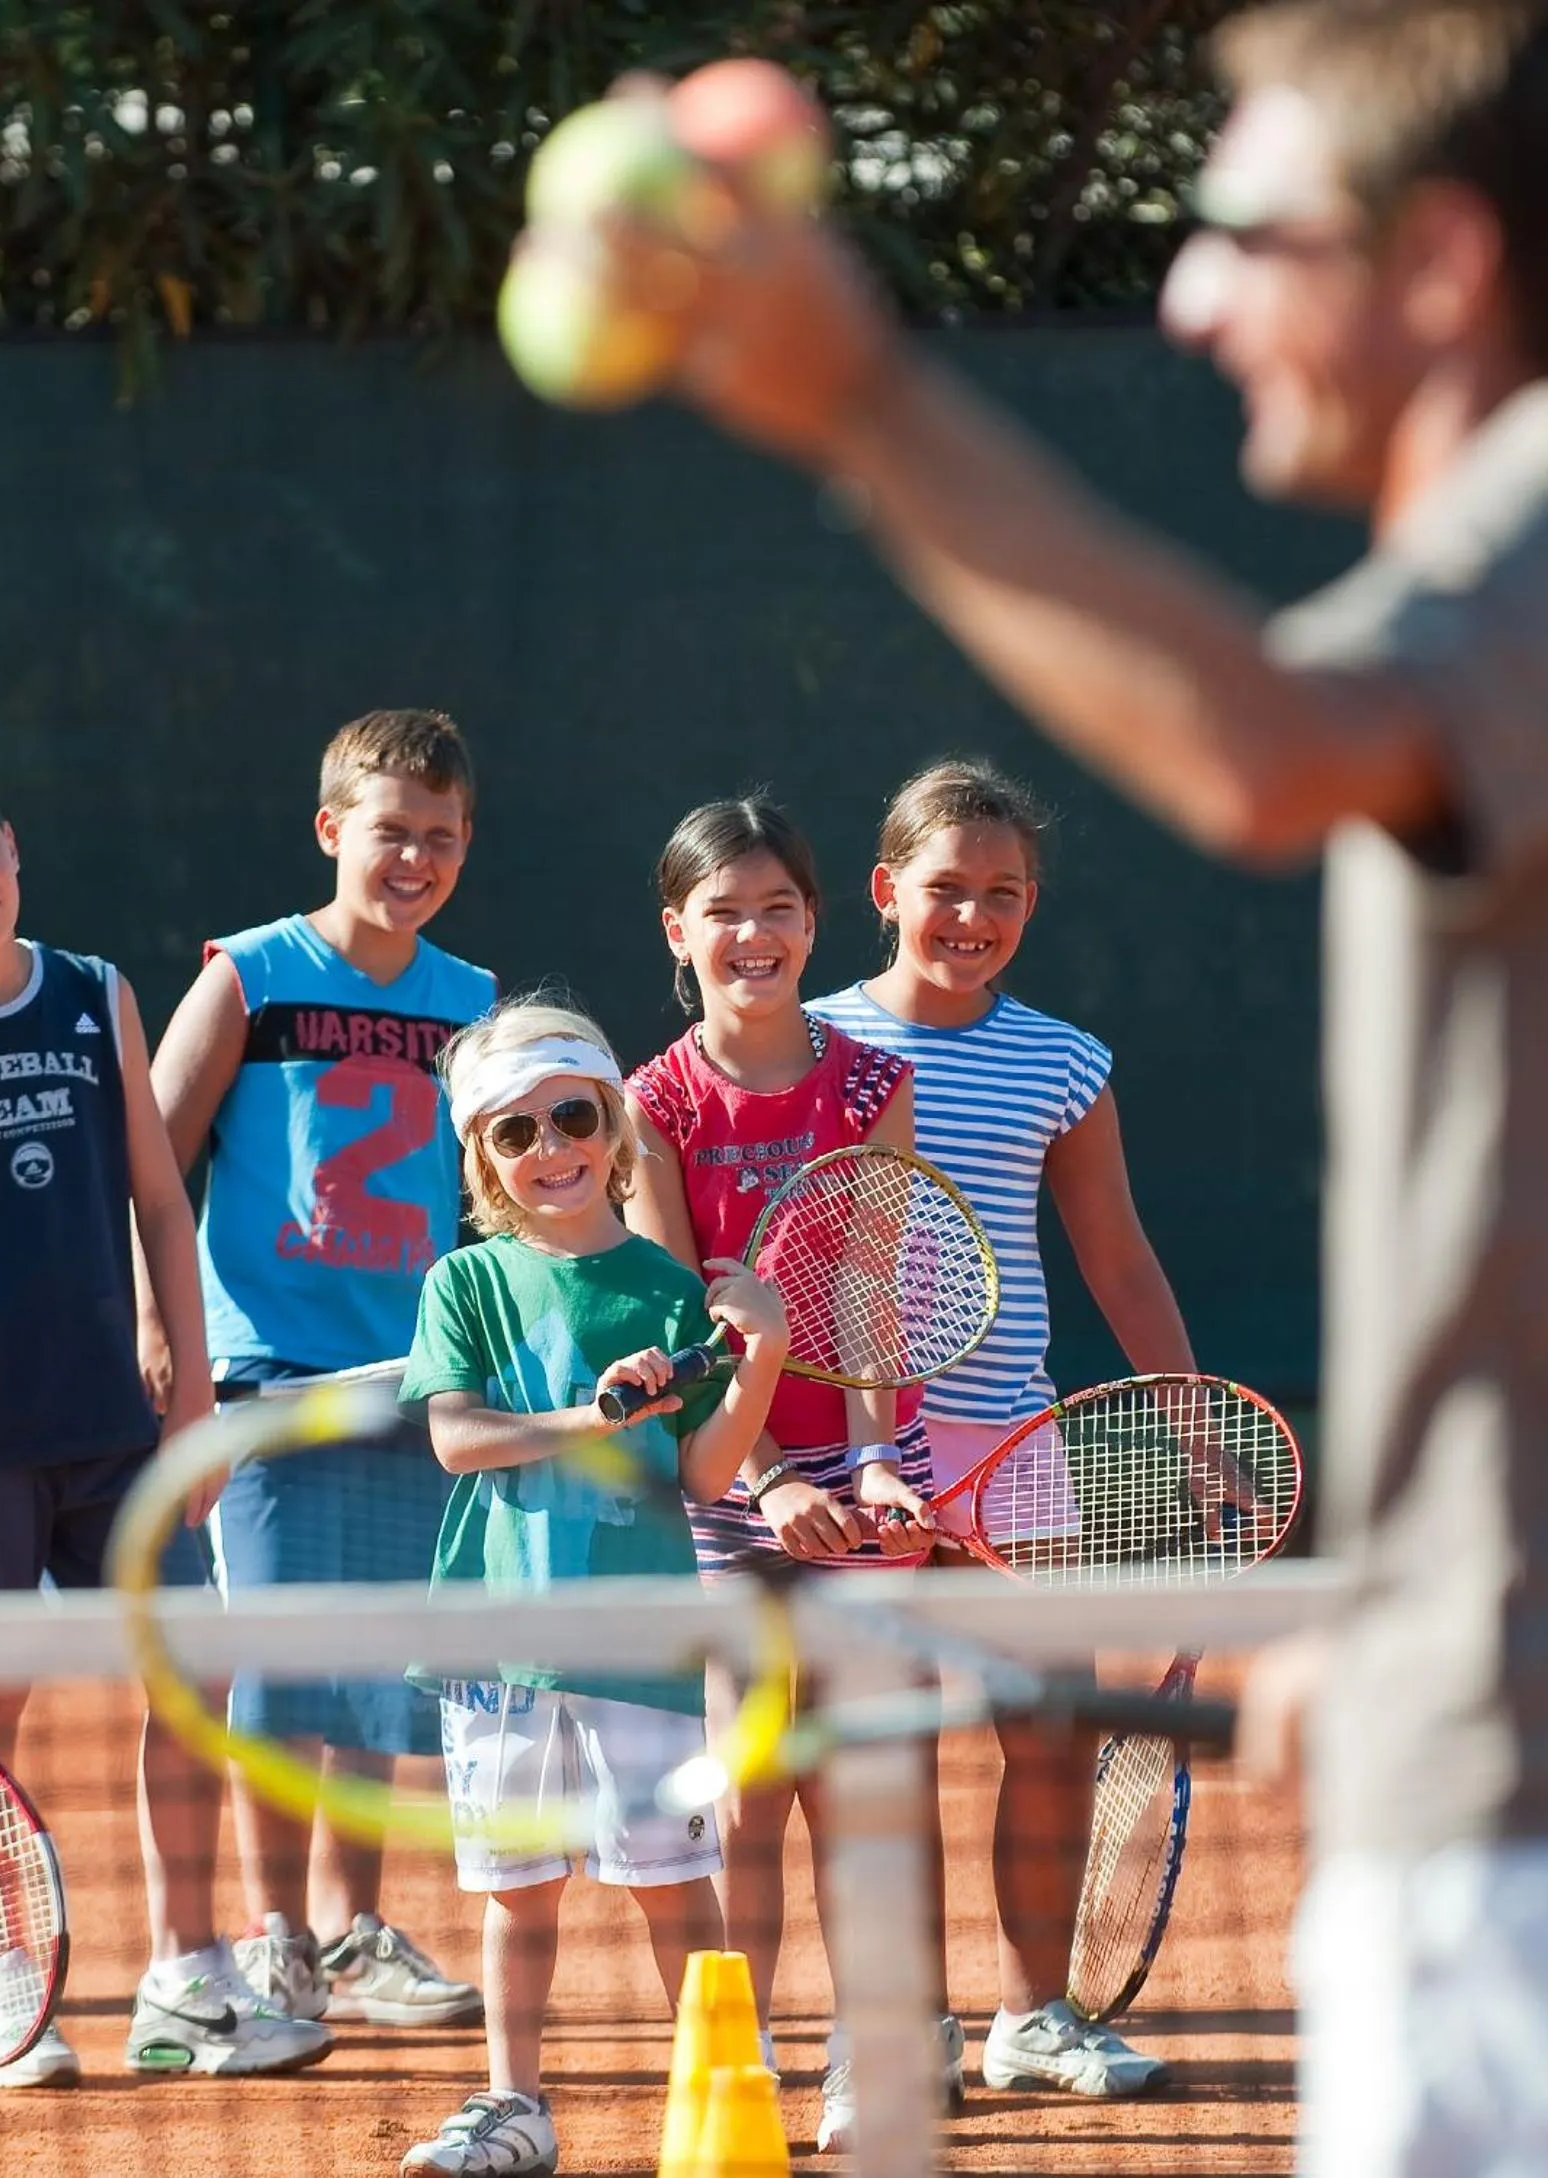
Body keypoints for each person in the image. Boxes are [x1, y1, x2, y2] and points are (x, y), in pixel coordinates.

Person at [593, 1, 1548, 2169]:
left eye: (1247, 233)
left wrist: (858, 399)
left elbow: (1260, 754)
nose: (1192, 299)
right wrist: (1418, 1605)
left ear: (1440, 264)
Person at [0, 739, 327, 2085]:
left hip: (117, 1420)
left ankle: (187, 1974)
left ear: (15, 846)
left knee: (192, 1671)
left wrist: (194, 1399)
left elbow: (159, 1203)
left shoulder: (94, 993)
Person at [810, 755, 1193, 2099]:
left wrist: (1187, 1411)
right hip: (852, 1455)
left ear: (1031, 903)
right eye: (945, 888)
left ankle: (1034, 2017)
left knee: (1046, 1727)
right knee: (885, 1740)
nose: (971, 915)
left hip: (1009, 1446)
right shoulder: (810, 1043)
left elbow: (1117, 1256)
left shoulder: (1062, 1062)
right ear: (884, 890)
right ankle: (903, 2025)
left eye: (1003, 893)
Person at [395, 998, 789, 2178]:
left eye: (571, 1117)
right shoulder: (463, 1282)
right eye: (514, 1132)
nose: (549, 1149)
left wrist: (759, 1356)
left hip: (641, 1645)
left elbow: (705, 1472)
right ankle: (513, 2108)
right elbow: (456, 1441)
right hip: (497, 1645)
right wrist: (592, 1416)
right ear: (484, 1159)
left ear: (613, 1127)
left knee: (673, 1887)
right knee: (516, 1894)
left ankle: (718, 2097)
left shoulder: (669, 1291)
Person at [138, 708, 488, 2032]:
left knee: (375, 1671)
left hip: (412, 1381)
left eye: (441, 836)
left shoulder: (472, 1002)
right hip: (265, 1379)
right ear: (332, 828)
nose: (415, 858)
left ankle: (350, 1934)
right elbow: (151, 1159)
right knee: (279, 1671)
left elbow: (508, 1187)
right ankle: (276, 1936)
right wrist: (161, 1332)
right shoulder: (252, 976)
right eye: (391, 830)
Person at [621, 795, 942, 2152]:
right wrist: (765, 1478)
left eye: (777, 908)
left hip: (866, 1468)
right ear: (676, 931)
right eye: (723, 911)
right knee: (745, 1784)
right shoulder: (651, 1103)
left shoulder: (870, 1084)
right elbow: (677, 1312)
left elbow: (868, 1289)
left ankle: (872, 2057)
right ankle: (741, 2065)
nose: (751, 935)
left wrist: (867, 1459)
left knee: (871, 1778)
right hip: (725, 1469)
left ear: (816, 921)